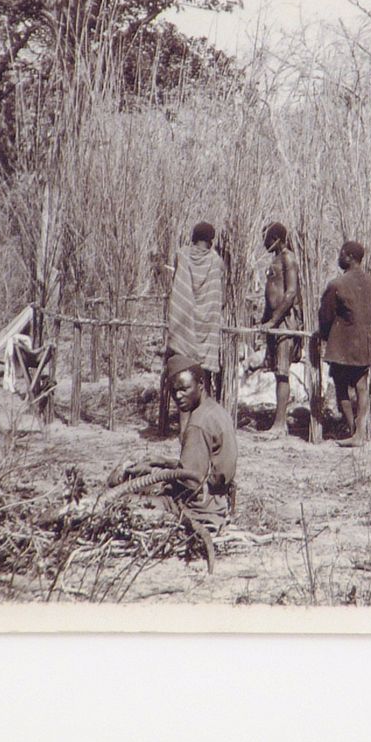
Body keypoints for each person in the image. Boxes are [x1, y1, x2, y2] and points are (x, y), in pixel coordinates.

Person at [110, 353, 238, 535]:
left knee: (122, 501)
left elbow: (190, 480)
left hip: (199, 507)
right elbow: (205, 464)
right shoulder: (216, 411)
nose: (178, 396)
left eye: (184, 389)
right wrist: (162, 461)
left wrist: (152, 473)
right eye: (173, 391)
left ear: (201, 384)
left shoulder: (197, 424)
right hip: (217, 499)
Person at [317, 240, 371, 446]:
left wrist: (326, 336)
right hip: (364, 342)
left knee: (341, 387)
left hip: (342, 345)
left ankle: (352, 431)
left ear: (349, 257)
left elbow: (325, 316)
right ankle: (361, 432)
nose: (338, 258)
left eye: (341, 254)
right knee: (362, 387)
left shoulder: (337, 284)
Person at [163, 221, 225, 434]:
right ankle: (201, 431)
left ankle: (184, 431)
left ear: (193, 236)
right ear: (211, 240)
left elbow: (178, 290)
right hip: (206, 330)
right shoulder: (216, 262)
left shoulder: (182, 255)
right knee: (201, 384)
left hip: (184, 328)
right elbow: (218, 299)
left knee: (183, 380)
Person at [259, 221, 302, 434]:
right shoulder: (275, 259)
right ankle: (278, 421)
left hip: (285, 321)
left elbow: (291, 292)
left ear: (276, 238)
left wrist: (274, 319)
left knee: (283, 371)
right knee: (277, 371)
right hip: (275, 320)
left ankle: (279, 424)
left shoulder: (288, 258)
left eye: (266, 238)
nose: (263, 242)